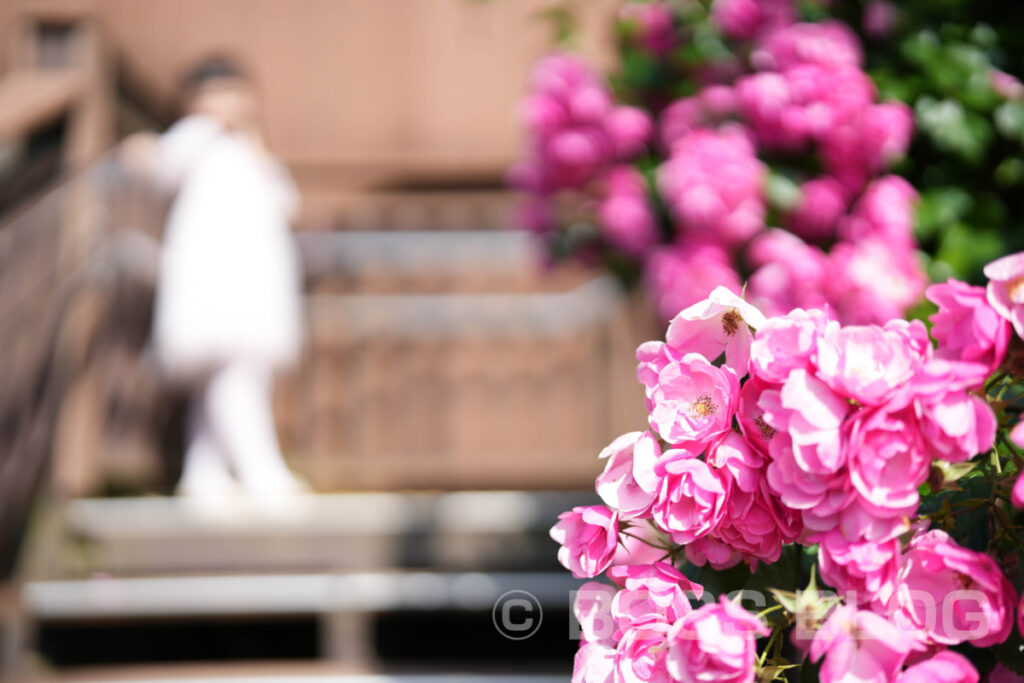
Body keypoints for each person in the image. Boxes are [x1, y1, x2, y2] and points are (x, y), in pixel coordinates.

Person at [125, 57, 307, 500]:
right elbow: (160, 162)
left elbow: (288, 203)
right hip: (217, 287)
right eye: (216, 93)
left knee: (227, 382)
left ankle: (203, 475)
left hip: (249, 286)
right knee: (233, 376)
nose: (227, 104)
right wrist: (144, 148)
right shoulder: (198, 138)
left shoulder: (252, 150)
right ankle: (263, 472)